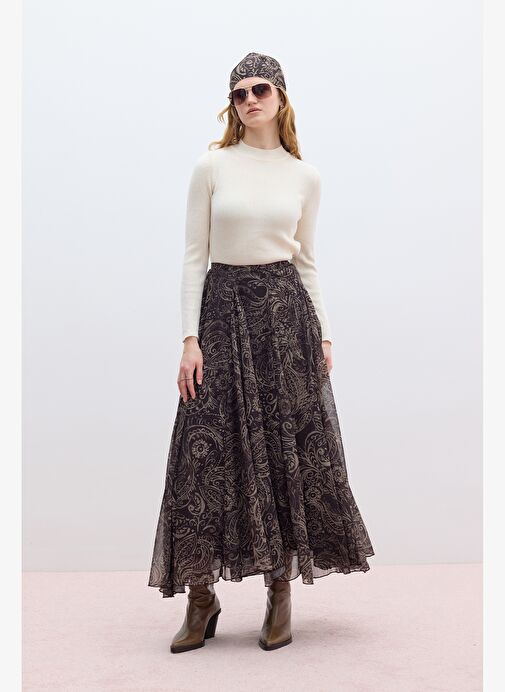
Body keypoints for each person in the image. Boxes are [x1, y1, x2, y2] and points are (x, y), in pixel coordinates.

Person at [148, 51, 375, 654]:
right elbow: (194, 257)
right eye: (240, 92)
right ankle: (201, 596)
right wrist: (189, 339)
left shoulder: (305, 176)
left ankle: (280, 591)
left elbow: (307, 259)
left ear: (280, 98)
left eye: (261, 90)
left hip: (284, 316)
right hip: (221, 313)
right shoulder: (212, 166)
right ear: (232, 103)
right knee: (203, 452)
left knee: (283, 449)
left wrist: (324, 333)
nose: (250, 100)